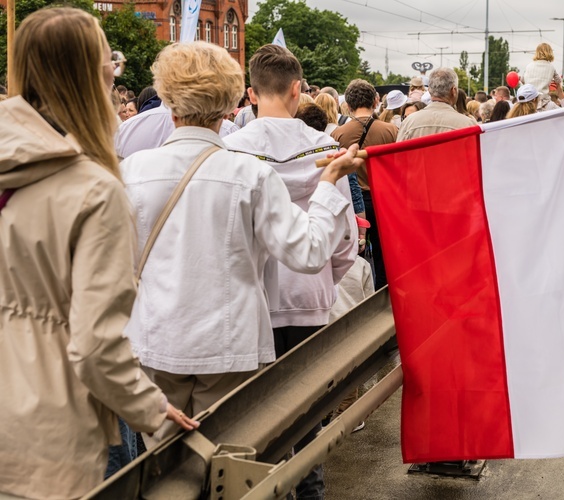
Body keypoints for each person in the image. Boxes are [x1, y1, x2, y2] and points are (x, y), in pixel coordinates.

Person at [0, 8, 198, 499]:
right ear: (97, 76)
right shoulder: (95, 191)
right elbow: (93, 347)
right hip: (45, 420)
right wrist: (151, 410)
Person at [223, 46, 358, 500]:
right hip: (311, 299)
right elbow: (343, 240)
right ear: (299, 91)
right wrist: (325, 282)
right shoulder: (327, 151)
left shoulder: (233, 151)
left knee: (259, 427)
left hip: (255, 304)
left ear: (250, 92)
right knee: (307, 424)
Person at [332, 79, 398, 291]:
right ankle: (382, 294)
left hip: (352, 202)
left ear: (348, 105)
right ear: (376, 101)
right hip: (383, 199)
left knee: (352, 254)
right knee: (383, 254)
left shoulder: (338, 135)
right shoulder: (390, 131)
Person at [397, 67, 477, 142]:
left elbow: (398, 154)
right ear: (454, 91)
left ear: (429, 90)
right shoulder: (468, 124)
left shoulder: (409, 122)